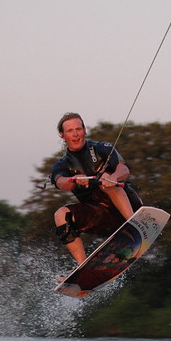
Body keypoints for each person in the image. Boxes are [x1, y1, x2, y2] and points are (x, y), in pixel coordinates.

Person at [50, 112, 142, 264]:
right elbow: (61, 182)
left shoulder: (102, 148)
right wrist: (73, 180)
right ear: (62, 135)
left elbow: (124, 169)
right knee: (61, 215)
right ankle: (82, 266)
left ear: (84, 130)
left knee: (105, 178)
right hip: (102, 218)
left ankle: (134, 225)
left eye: (78, 129)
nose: (75, 134)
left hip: (128, 206)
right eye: (70, 131)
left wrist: (113, 178)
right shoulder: (62, 165)